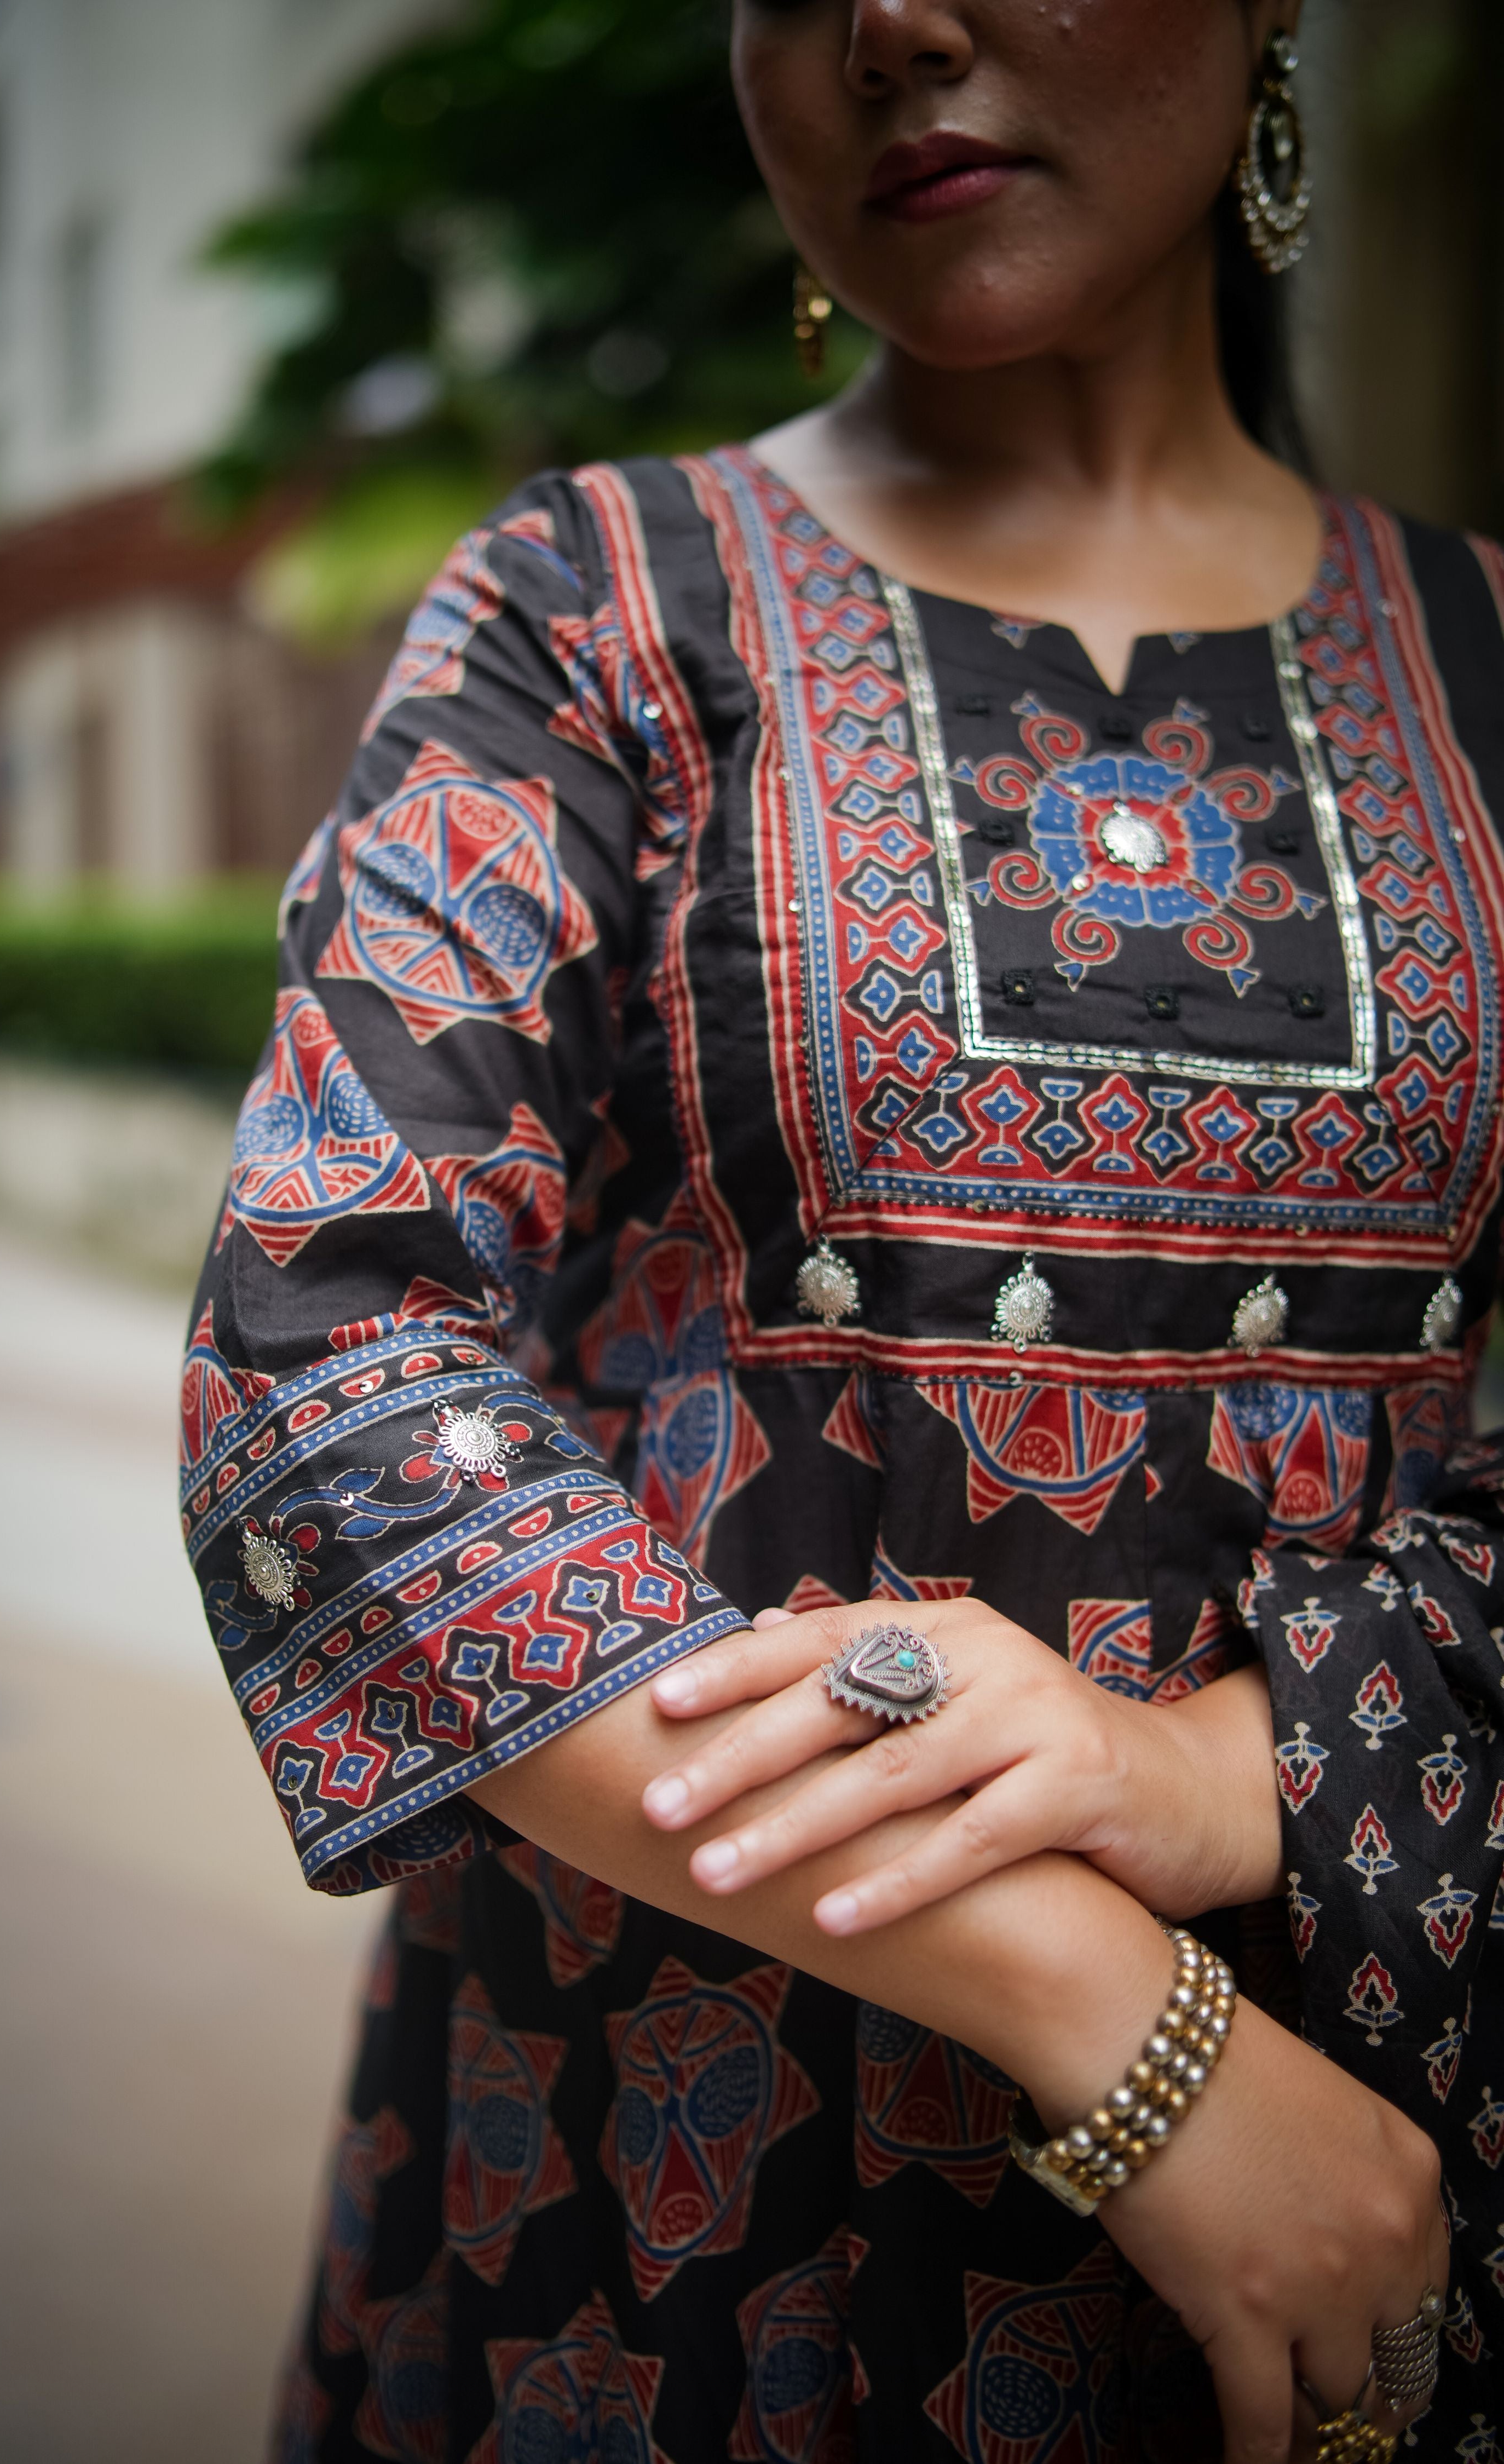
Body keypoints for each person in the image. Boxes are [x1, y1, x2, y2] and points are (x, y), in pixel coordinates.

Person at [179, 3, 1504, 2455]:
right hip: (639, 2204)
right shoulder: (586, 607)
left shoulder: (1491, 667)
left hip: (1347, 2205)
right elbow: (326, 1362)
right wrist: (1122, 2021)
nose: (892, 19)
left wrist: (1226, 1772)